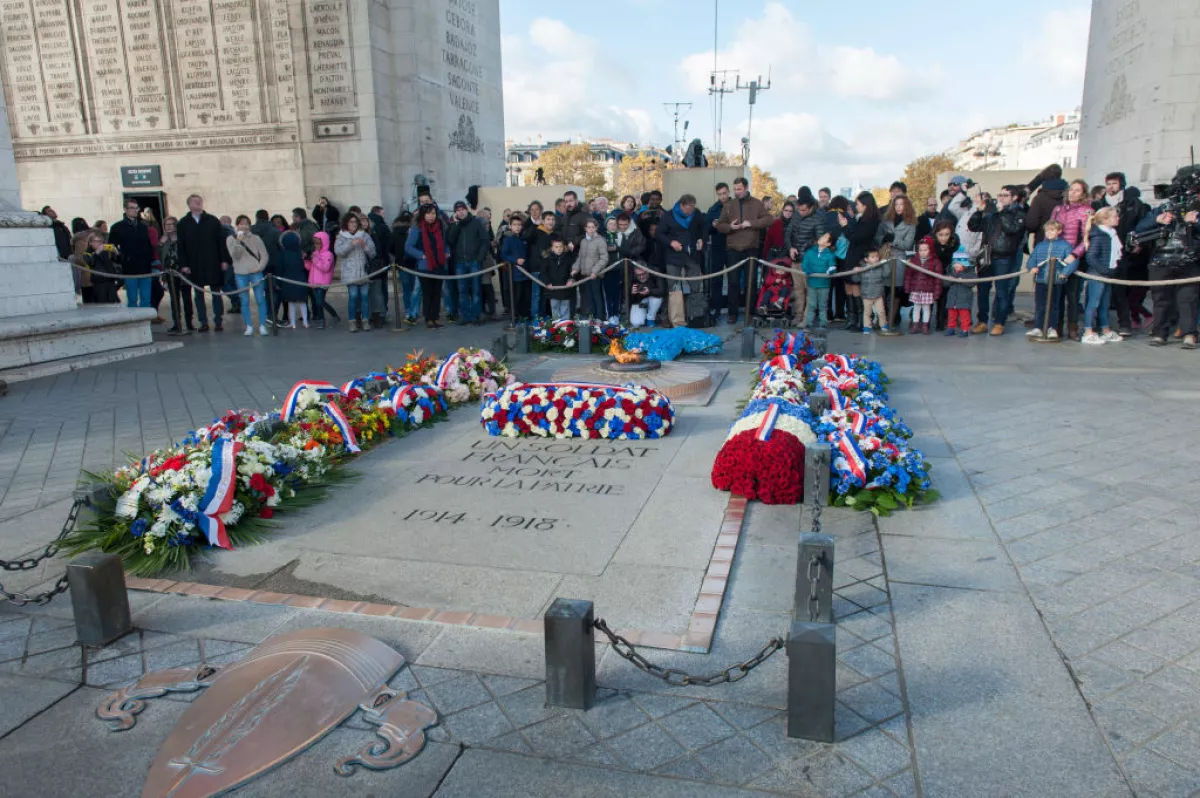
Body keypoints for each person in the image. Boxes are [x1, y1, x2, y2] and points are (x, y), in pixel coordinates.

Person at [1136, 182, 1200, 348]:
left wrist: (1195, 221)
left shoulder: (1196, 211)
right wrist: (1157, 220)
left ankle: (1189, 334)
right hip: (1160, 261)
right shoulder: (1161, 209)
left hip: (1189, 261)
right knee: (1161, 300)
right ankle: (1160, 334)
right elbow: (1140, 228)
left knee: (1188, 300)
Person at [1093, 172, 1151, 336]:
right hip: (1102, 251)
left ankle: (1124, 323)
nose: (1111, 187)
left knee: (1120, 291)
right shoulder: (1098, 204)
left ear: (1121, 185)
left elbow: (1143, 225)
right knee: (1100, 290)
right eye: (1108, 183)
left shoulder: (1133, 204)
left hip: (1124, 253)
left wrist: (1139, 243)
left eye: (1114, 183)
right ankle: (1100, 323)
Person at [967, 187, 1026, 335]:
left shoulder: (1018, 213)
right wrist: (979, 211)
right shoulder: (992, 214)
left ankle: (999, 322)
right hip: (987, 255)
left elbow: (1011, 229)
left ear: (1014, 197)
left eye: (1005, 195)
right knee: (982, 291)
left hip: (1004, 257)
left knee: (1001, 291)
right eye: (999, 195)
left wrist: (1002, 212)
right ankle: (982, 321)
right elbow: (973, 226)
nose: (1001, 198)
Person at [714, 177, 772, 324]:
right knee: (733, 282)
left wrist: (751, 223)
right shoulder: (729, 205)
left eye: (739, 189)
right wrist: (730, 227)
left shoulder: (756, 203)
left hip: (751, 249)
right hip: (733, 249)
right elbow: (720, 225)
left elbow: (769, 219)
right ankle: (732, 313)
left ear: (746, 188)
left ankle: (750, 312)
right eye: (735, 189)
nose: (736, 192)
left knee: (750, 283)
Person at [175, 194, 228, 332]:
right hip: (194, 264)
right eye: (195, 201)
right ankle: (203, 322)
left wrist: (224, 260)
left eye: (199, 200)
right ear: (189, 204)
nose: (198, 202)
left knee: (216, 293)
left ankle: (218, 321)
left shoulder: (212, 220)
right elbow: (181, 246)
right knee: (198, 294)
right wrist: (184, 264)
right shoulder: (183, 223)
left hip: (212, 261)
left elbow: (221, 241)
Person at [656, 193, 707, 327]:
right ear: (681, 205)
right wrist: (671, 242)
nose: (690, 212)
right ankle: (672, 318)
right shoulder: (668, 215)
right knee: (673, 286)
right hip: (674, 256)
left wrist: (702, 239)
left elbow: (703, 228)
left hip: (692, 255)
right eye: (688, 209)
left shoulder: (696, 214)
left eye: (692, 209)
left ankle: (695, 316)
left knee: (696, 285)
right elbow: (659, 234)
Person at [1049, 180, 1091, 337]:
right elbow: (1050, 230)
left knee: (1072, 296)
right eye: (1071, 189)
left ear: (1083, 193)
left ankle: (1073, 328)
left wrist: (1074, 254)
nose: (1073, 193)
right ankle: (1057, 326)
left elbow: (1087, 237)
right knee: (1057, 295)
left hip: (1074, 257)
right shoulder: (1058, 209)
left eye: (1077, 190)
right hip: (1056, 256)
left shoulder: (1086, 211)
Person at [836, 192, 881, 331]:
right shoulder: (861, 218)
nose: (856, 206)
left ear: (865, 205)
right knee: (848, 283)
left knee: (855, 284)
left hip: (860, 255)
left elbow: (856, 238)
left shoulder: (871, 221)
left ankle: (861, 319)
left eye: (858, 204)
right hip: (852, 253)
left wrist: (845, 226)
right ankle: (851, 317)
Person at [1081, 206, 1124, 345]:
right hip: (1098, 274)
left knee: (1104, 303)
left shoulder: (1111, 234)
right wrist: (1104, 270)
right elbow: (1091, 257)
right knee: (1093, 303)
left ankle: (1105, 329)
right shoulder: (1099, 236)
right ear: (1105, 219)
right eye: (1115, 216)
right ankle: (1088, 331)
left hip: (1107, 273)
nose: (1118, 218)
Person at [1027, 220, 1076, 339]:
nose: (1049, 233)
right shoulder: (1040, 245)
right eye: (1047, 230)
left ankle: (1052, 328)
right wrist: (1032, 267)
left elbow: (1073, 261)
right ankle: (1038, 327)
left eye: (1052, 230)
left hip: (1056, 281)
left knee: (1054, 306)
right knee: (1039, 306)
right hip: (1041, 280)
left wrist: (1065, 272)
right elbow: (1032, 258)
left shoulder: (1065, 246)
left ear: (1059, 231)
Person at [405, 204, 451, 329]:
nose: (431, 216)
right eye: (429, 213)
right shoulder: (417, 228)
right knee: (427, 293)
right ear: (423, 215)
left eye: (433, 213)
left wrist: (447, 252)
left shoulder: (440, 227)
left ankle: (435, 317)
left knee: (437, 293)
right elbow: (408, 246)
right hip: (425, 266)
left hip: (439, 264)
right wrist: (421, 255)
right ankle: (428, 318)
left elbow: (445, 243)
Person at [225, 215, 269, 336]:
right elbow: (235, 256)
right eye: (241, 223)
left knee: (260, 299)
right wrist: (239, 241)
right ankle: (249, 326)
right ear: (237, 225)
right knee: (244, 300)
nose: (244, 226)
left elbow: (264, 255)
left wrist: (259, 267)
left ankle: (262, 325)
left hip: (255, 272)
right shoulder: (231, 239)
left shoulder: (256, 238)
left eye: (246, 224)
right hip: (240, 273)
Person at [108, 198, 155, 309]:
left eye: (136, 208)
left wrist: (150, 259)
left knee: (146, 298)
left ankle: (145, 318)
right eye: (132, 208)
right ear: (125, 209)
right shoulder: (117, 227)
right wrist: (121, 257)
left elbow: (148, 245)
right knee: (132, 298)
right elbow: (112, 247)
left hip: (145, 267)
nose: (135, 210)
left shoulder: (143, 227)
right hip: (129, 267)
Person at [446, 201, 488, 325]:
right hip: (460, 262)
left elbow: (485, 240)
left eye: (462, 209)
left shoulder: (476, 222)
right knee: (462, 290)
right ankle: (465, 316)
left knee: (476, 290)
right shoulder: (454, 225)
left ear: (467, 210)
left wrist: (480, 258)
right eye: (458, 210)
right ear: (455, 213)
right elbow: (450, 240)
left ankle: (475, 315)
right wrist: (455, 224)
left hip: (474, 261)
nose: (461, 212)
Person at [335, 214, 377, 332]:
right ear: (346, 223)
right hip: (350, 273)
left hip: (364, 272)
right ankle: (352, 321)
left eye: (355, 222)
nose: (353, 224)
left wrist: (364, 245)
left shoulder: (365, 235)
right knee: (353, 296)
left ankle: (365, 320)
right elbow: (339, 252)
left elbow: (373, 253)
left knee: (364, 296)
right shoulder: (341, 236)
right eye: (350, 222)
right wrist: (351, 244)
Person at [880, 194, 917, 327]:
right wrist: (883, 239)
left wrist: (893, 239)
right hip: (884, 256)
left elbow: (908, 244)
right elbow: (878, 237)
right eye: (896, 204)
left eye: (901, 204)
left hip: (899, 259)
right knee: (883, 289)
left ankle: (892, 318)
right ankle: (882, 318)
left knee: (896, 291)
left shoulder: (911, 224)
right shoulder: (886, 220)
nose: (899, 207)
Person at [904, 236, 943, 334]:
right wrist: (907, 288)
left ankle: (925, 325)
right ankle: (915, 325)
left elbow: (938, 279)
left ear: (930, 249)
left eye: (925, 250)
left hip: (928, 290)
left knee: (926, 308)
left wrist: (936, 293)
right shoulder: (914, 260)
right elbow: (908, 275)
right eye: (920, 250)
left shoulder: (936, 262)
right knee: (916, 308)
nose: (922, 252)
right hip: (916, 289)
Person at [802, 232, 837, 329]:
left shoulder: (830, 255)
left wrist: (831, 270)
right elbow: (804, 264)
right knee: (811, 304)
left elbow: (832, 266)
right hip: (812, 283)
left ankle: (823, 323)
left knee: (823, 305)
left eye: (825, 237)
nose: (821, 238)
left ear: (828, 243)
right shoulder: (809, 252)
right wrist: (807, 270)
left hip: (824, 284)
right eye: (822, 236)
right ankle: (808, 323)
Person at [706, 182, 730, 322]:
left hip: (733, 247)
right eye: (720, 194)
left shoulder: (735, 206)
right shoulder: (713, 209)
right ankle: (717, 309)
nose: (723, 196)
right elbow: (706, 228)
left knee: (734, 280)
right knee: (716, 280)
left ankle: (732, 310)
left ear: (728, 192)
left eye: (724, 193)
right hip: (717, 247)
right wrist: (713, 225)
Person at [390, 211, 420, 324]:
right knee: (415, 289)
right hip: (414, 263)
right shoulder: (415, 231)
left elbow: (390, 248)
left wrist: (398, 256)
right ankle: (414, 310)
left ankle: (408, 310)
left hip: (401, 264)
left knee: (406, 289)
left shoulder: (394, 233)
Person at [277, 229, 311, 329]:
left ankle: (292, 323)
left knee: (291, 302)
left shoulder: (282, 254)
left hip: (288, 280)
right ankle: (305, 322)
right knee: (302, 302)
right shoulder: (300, 253)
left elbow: (280, 269)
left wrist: (278, 283)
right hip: (300, 279)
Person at [575, 218, 608, 319]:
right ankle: (592, 318)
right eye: (588, 227)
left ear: (596, 228)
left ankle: (600, 318)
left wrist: (595, 271)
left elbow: (604, 258)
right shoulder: (583, 241)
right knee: (589, 297)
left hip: (595, 275)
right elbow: (580, 257)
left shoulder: (600, 240)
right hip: (585, 274)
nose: (591, 229)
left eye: (593, 227)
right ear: (585, 228)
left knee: (597, 297)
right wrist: (575, 268)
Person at [501, 214, 531, 320]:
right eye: (514, 225)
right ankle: (516, 316)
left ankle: (525, 315)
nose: (517, 227)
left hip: (526, 273)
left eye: (519, 225)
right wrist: (515, 260)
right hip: (515, 274)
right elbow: (504, 254)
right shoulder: (508, 239)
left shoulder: (524, 238)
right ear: (510, 226)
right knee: (517, 296)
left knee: (526, 296)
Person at [528, 211, 557, 318]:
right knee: (536, 295)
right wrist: (535, 225)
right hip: (537, 268)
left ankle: (543, 315)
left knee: (545, 294)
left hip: (549, 269)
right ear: (543, 221)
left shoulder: (555, 235)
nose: (551, 222)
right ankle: (535, 317)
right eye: (548, 219)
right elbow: (527, 237)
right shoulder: (536, 232)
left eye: (553, 219)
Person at [944, 246, 976, 337]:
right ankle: (951, 328)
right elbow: (944, 283)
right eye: (955, 263)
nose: (956, 266)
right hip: (952, 299)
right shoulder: (950, 272)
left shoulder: (970, 273)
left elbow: (973, 282)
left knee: (964, 316)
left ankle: (965, 330)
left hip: (964, 300)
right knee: (951, 315)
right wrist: (949, 279)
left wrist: (962, 279)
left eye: (959, 264)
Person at [305, 231, 335, 329]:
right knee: (320, 301)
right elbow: (311, 268)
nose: (316, 245)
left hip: (323, 283)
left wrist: (316, 259)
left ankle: (322, 320)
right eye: (315, 243)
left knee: (319, 301)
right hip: (314, 282)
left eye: (318, 243)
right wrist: (306, 261)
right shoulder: (315, 253)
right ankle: (334, 316)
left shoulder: (328, 254)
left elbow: (325, 268)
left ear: (324, 242)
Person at [543, 236, 575, 321]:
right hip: (553, 288)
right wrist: (547, 282)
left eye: (560, 246)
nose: (559, 249)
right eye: (556, 247)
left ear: (564, 247)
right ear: (552, 248)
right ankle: (556, 323)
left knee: (565, 307)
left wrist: (571, 279)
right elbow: (544, 272)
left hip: (565, 287)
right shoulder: (547, 259)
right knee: (554, 306)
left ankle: (565, 324)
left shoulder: (568, 258)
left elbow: (573, 270)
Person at [858, 246, 889, 334]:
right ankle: (867, 327)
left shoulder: (880, 267)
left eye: (877, 256)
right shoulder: (862, 268)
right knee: (867, 312)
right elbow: (856, 279)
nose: (875, 258)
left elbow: (886, 273)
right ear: (866, 259)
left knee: (881, 311)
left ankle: (883, 325)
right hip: (866, 295)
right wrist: (856, 271)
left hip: (878, 294)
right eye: (872, 257)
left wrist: (885, 263)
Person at [83, 233, 121, 303]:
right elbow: (91, 263)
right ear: (90, 243)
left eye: (100, 241)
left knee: (113, 301)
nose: (99, 243)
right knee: (102, 301)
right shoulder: (87, 253)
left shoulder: (105, 252)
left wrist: (116, 252)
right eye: (96, 241)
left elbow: (117, 261)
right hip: (99, 281)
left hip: (110, 279)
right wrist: (96, 253)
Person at [602, 216, 623, 324]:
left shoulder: (620, 235)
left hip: (618, 269)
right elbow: (602, 250)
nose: (613, 226)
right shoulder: (603, 237)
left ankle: (616, 314)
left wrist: (616, 248)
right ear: (606, 225)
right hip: (607, 269)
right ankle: (609, 315)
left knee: (617, 293)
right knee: (608, 294)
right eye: (610, 224)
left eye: (614, 224)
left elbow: (625, 249)